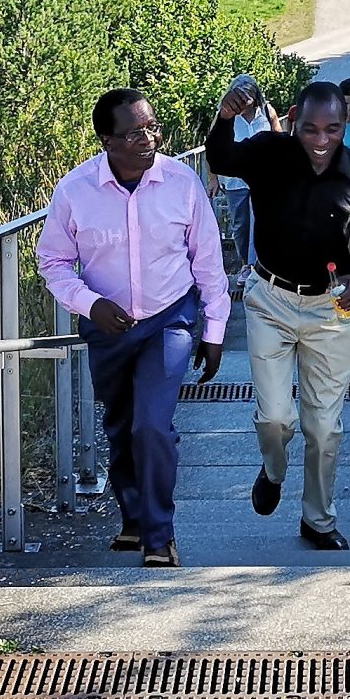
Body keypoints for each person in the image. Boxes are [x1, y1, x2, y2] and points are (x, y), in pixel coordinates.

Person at [39, 88, 229, 567]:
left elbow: (208, 261)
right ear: (107, 140)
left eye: (152, 128)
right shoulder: (75, 190)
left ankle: (159, 536)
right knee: (122, 426)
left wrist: (214, 330)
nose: (149, 139)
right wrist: (89, 303)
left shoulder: (181, 182)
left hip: (170, 319)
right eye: (134, 133)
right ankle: (134, 519)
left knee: (152, 426)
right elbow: (53, 261)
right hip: (109, 329)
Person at [207, 78, 350, 550]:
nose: (320, 140)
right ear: (294, 120)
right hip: (270, 299)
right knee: (276, 418)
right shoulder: (269, 152)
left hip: (330, 307)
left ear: (345, 125)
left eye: (332, 130)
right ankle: (273, 469)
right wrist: (225, 117)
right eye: (310, 129)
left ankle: (318, 519)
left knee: (324, 427)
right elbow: (222, 159)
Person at [216, 74, 278, 295]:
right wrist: (213, 179)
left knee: (261, 221)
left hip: (264, 178)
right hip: (235, 180)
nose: (245, 99)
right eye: (241, 94)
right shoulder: (225, 115)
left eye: (249, 93)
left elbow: (279, 139)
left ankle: (257, 266)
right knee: (241, 224)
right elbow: (214, 145)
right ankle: (245, 262)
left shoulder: (267, 111)